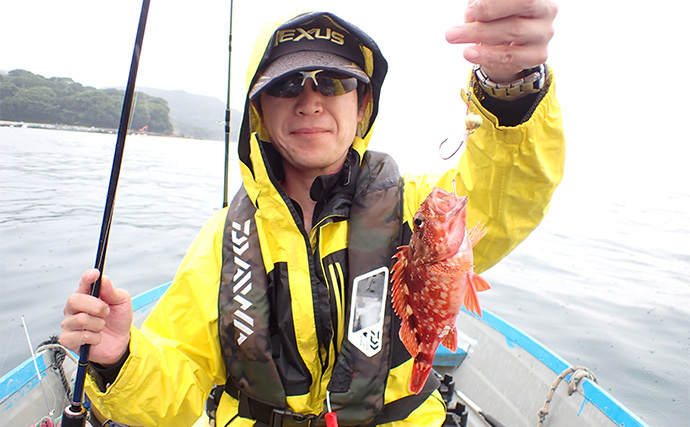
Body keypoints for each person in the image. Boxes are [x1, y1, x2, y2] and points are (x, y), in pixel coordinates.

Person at [60, 1, 563, 426]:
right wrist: (119, 359)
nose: (310, 101)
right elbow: (178, 389)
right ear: (259, 111)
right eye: (285, 86)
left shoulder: (419, 210)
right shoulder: (224, 242)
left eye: (334, 82)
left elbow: (507, 193)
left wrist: (510, 84)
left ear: (363, 105)